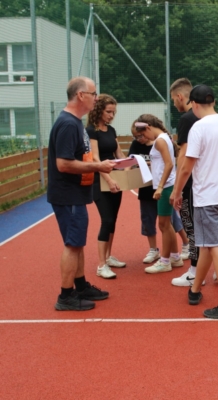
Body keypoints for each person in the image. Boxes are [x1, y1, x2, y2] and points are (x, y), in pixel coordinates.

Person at [170, 84, 218, 320]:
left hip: (207, 197)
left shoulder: (199, 128)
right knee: (208, 244)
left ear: (194, 104)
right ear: (214, 102)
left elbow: (187, 166)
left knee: (215, 247)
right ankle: (195, 289)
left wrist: (177, 192)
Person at [48, 77, 116, 311]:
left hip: (75, 193)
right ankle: (66, 295)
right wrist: (98, 167)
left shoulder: (75, 122)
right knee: (72, 244)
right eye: (93, 94)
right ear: (80, 95)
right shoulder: (68, 124)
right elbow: (64, 164)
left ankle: (80, 285)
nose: (96, 98)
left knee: (77, 243)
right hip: (68, 194)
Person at [128, 122, 190, 265]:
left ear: (148, 128)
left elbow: (169, 164)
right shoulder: (162, 139)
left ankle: (165, 261)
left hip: (165, 186)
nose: (141, 139)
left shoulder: (160, 141)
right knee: (166, 224)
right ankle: (174, 257)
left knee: (165, 225)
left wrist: (160, 187)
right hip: (162, 185)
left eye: (141, 135)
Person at [86, 94, 127, 279]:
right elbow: (95, 158)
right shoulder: (91, 130)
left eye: (114, 112)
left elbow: (118, 153)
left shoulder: (111, 130)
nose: (111, 115)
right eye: (108, 111)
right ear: (99, 110)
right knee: (107, 219)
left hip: (115, 179)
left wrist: (132, 164)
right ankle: (101, 265)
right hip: (99, 181)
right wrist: (109, 180)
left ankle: (109, 257)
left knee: (113, 220)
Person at [168, 78, 203, 287]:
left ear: (181, 97)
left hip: (191, 183)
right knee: (207, 228)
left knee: (191, 227)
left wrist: (177, 189)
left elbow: (184, 156)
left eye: (174, 100)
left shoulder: (187, 119)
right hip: (208, 181)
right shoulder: (212, 119)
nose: (174, 104)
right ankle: (216, 263)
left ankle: (194, 272)